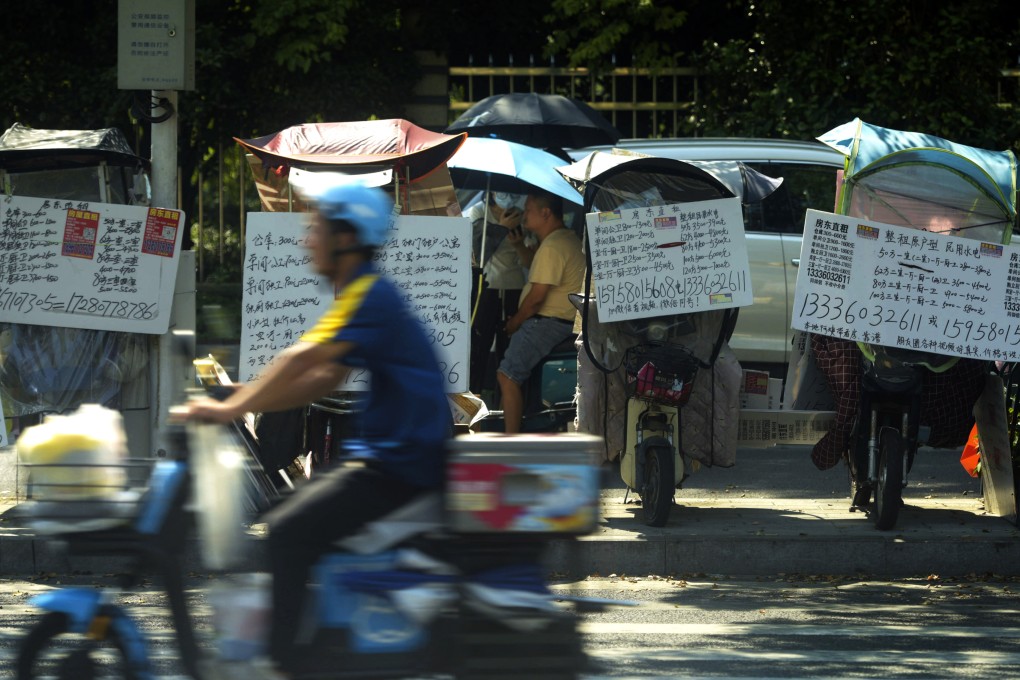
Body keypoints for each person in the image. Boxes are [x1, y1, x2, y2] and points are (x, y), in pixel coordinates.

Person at [183, 180, 452, 675]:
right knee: (287, 509)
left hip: (400, 463)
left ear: (346, 237)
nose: (308, 239)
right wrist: (244, 403)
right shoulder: (363, 293)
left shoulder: (368, 294)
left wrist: (228, 409)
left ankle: (286, 662)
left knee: (286, 532)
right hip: (393, 458)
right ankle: (332, 639)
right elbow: (322, 377)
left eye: (317, 228)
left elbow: (304, 355)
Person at [497, 190, 584, 433]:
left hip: (549, 322)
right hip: (563, 321)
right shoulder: (562, 240)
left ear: (545, 213)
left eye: (528, 211)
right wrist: (518, 245)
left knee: (507, 375)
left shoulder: (554, 246)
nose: (524, 216)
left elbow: (536, 298)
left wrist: (514, 322)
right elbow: (532, 264)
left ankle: (510, 440)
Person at [466, 192, 534, 395]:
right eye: (500, 191)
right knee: (479, 344)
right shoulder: (478, 211)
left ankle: (503, 398)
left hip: (514, 287)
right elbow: (476, 252)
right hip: (486, 286)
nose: (506, 196)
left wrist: (518, 243)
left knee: (508, 348)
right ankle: (474, 393)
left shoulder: (521, 215)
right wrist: (501, 228)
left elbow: (530, 262)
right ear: (491, 193)